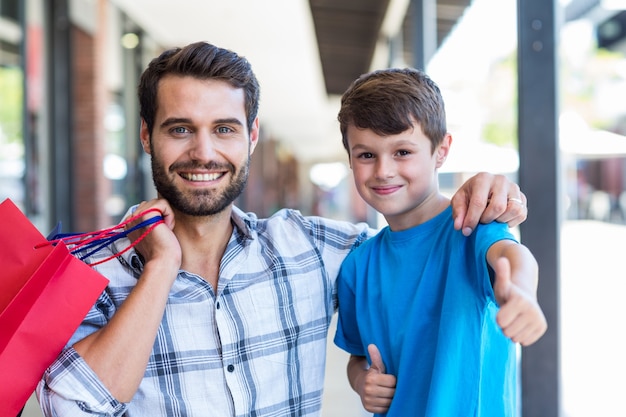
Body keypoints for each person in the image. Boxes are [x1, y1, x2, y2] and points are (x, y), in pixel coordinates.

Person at [36, 42, 528, 417]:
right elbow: (70, 405)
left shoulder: (317, 250)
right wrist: (160, 269)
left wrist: (486, 192)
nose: (204, 152)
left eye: (224, 129)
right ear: (147, 134)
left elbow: (416, 237)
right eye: (180, 128)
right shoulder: (92, 272)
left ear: (251, 137)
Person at [332, 68, 547, 416]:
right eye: (366, 155)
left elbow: (511, 256)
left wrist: (522, 291)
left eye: (402, 152)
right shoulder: (358, 265)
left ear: (441, 150)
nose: (384, 170)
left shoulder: (472, 229)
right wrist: (361, 381)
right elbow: (358, 354)